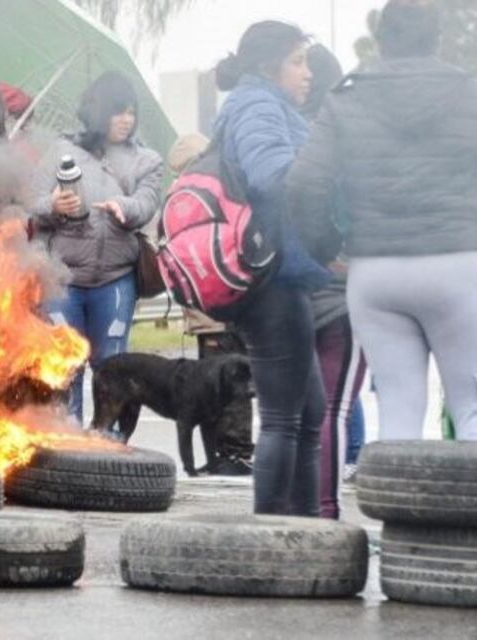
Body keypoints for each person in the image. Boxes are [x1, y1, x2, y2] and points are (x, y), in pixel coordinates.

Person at [288, 0, 477, 442]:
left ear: (380, 40)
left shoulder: (345, 99)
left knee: (397, 407)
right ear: (438, 39)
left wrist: (327, 247)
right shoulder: (472, 94)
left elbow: (303, 183)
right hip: (460, 264)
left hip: (375, 270)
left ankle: (400, 514)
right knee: (472, 405)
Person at [214, 21, 330, 516]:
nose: (307, 73)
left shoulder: (263, 103)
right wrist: (327, 173)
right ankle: (277, 537)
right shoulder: (258, 104)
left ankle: (304, 531)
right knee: (284, 417)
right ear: (269, 66)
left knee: (309, 413)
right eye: (298, 61)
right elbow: (270, 174)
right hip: (272, 280)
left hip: (283, 275)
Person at [29, 71, 164, 424]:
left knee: (113, 368)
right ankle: (70, 440)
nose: (126, 119)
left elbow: (148, 201)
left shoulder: (146, 160)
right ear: (98, 111)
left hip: (116, 280)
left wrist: (126, 208)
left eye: (131, 112)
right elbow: (32, 202)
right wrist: (53, 205)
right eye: (118, 111)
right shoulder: (59, 152)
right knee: (64, 365)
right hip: (64, 280)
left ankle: (111, 445)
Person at [303, 43, 368, 519]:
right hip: (340, 288)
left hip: (291, 288)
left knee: (289, 412)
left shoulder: (289, 131)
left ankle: (290, 510)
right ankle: (325, 511)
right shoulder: (347, 137)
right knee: (334, 408)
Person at [169, 132, 253, 475]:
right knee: (219, 387)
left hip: (213, 310)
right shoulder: (225, 186)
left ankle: (232, 455)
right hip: (221, 309)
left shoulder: (189, 195)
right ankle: (225, 456)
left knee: (227, 385)